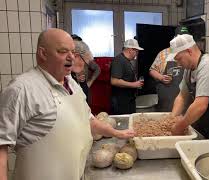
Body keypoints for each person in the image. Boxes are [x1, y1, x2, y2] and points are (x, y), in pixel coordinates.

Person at [0, 28, 134, 180]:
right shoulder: (22, 89)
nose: (71, 57)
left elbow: (89, 120)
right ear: (43, 53)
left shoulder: (72, 83)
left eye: (73, 52)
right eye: (63, 51)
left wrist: (116, 133)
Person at [149, 26, 189, 112]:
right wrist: (161, 77)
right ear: (174, 38)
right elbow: (152, 70)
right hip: (166, 101)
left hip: (185, 100)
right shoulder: (164, 53)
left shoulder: (189, 54)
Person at [110, 39, 144, 115]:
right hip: (121, 102)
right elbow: (114, 81)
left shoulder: (127, 61)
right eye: (136, 51)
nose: (137, 53)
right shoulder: (119, 60)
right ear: (130, 50)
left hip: (128, 100)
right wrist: (134, 84)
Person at [71, 34, 101, 104]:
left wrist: (89, 82)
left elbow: (97, 69)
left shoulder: (86, 57)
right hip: (72, 92)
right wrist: (74, 79)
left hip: (84, 87)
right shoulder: (65, 63)